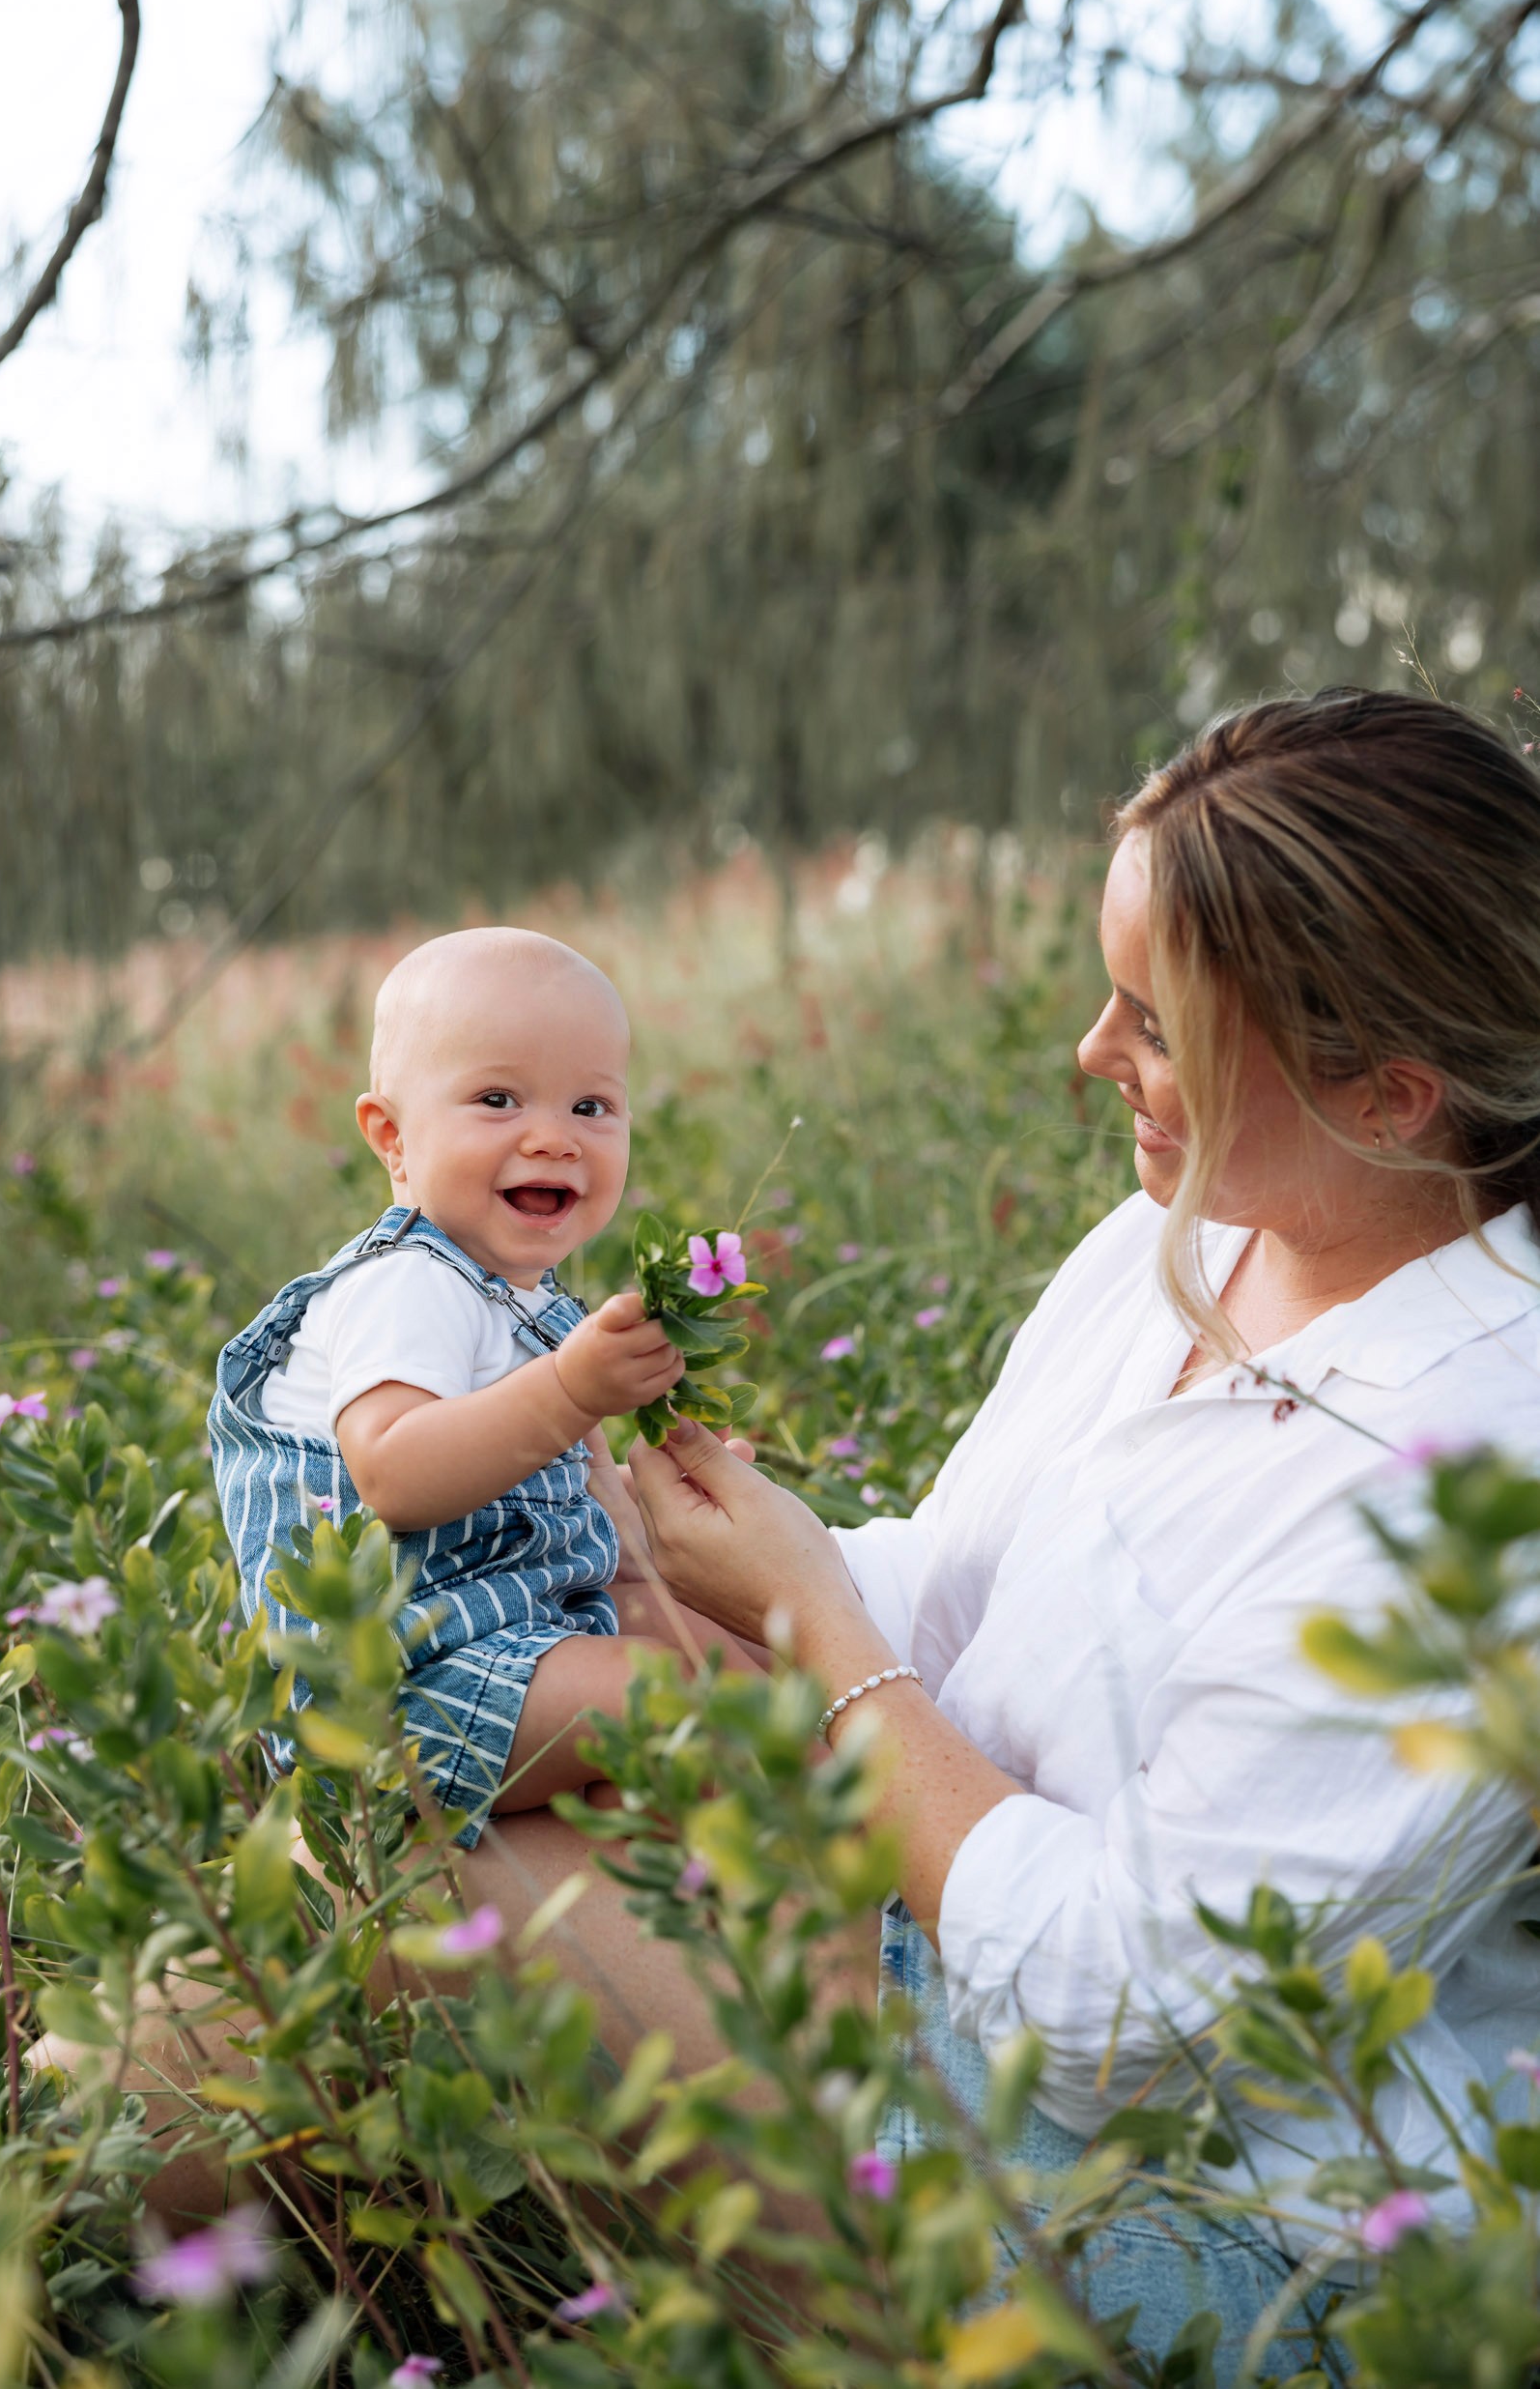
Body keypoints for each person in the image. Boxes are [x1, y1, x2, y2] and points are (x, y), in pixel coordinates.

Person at [606, 689, 1540, 2375]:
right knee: (451, 1769)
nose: (1091, 1056)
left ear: (1393, 1095)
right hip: (965, 1954)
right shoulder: (1168, 1245)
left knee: (471, 1907)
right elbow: (955, 1606)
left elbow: (1124, 2013)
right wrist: (658, 1559)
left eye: (1158, 1026)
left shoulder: (1469, 1477)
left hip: (1228, 2225)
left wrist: (812, 1630)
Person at [208, 926, 752, 1843]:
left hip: (523, 1631)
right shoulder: (404, 1286)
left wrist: (670, 1511)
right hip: (400, 1680)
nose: (552, 1138)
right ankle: (860, 1870)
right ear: (393, 1138)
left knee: (745, 1653)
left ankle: (847, 1846)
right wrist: (574, 1391)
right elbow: (394, 1475)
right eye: (497, 1100)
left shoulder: (535, 1309)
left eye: (591, 1106)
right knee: (672, 1694)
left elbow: (600, 1519)